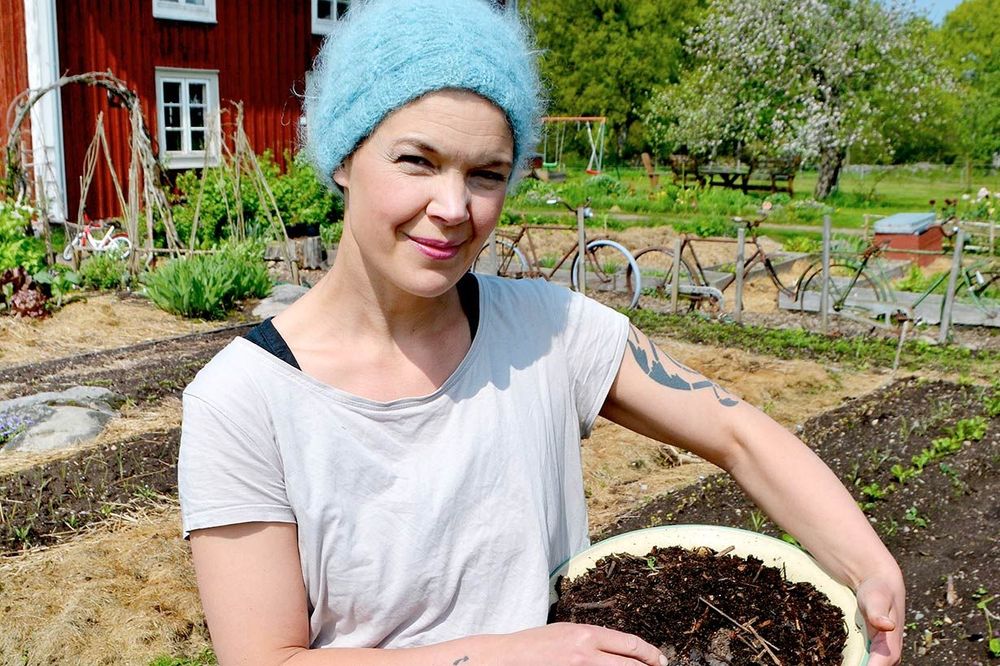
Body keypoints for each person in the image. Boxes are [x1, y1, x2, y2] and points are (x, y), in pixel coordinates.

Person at [178, 1, 905, 664]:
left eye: (487, 174)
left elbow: (737, 434)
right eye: (417, 161)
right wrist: (513, 656)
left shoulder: (550, 329)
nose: (453, 206)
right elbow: (265, 659)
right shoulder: (245, 400)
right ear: (344, 156)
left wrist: (869, 567)